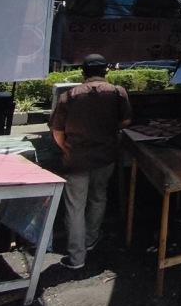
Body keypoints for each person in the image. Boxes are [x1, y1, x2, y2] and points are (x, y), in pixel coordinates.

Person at [50, 54, 132, 270]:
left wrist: (66, 147)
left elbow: (57, 131)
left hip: (76, 159)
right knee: (98, 197)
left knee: (75, 206)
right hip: (106, 157)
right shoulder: (118, 92)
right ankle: (91, 239)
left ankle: (77, 258)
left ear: (83, 72)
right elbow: (125, 121)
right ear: (106, 71)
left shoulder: (69, 96)